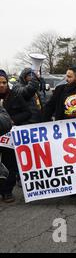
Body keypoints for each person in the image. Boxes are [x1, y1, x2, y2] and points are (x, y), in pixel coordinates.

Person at [0, 69, 31, 202]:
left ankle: (7, 191)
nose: (2, 85)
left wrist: (12, 120)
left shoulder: (15, 95)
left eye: (4, 82)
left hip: (9, 136)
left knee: (11, 165)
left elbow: (27, 112)